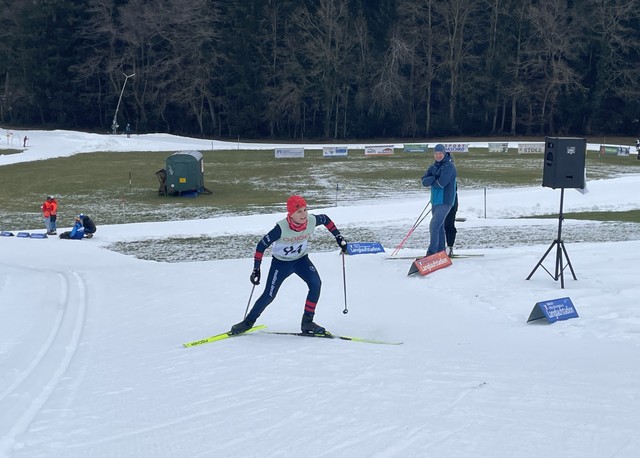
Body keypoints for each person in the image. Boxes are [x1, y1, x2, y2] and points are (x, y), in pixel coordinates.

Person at [229, 195, 348, 336]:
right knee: (269, 295)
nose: (303, 214)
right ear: (291, 214)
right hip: (281, 264)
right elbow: (261, 246)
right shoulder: (280, 228)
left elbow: (326, 219)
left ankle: (307, 322)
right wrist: (256, 268)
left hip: (301, 260)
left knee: (316, 284)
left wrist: (338, 236)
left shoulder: (311, 220)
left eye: (305, 210)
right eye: (299, 212)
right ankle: (248, 322)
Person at [421, 144, 457, 256]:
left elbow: (441, 184)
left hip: (445, 201)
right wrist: (434, 178)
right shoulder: (434, 166)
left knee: (434, 226)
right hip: (435, 201)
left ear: (444, 153)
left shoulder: (449, 166)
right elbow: (423, 181)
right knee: (440, 227)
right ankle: (441, 252)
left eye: (440, 153)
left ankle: (431, 252)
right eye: (436, 153)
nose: (438, 155)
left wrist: (432, 179)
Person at [444, 192, 459, 256]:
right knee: (442, 227)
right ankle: (442, 247)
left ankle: (450, 247)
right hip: (442, 204)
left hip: (452, 204)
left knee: (449, 225)